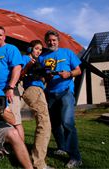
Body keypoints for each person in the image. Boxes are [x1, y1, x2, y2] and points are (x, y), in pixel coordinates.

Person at [39, 30, 82, 169]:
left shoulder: (67, 52)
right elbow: (41, 77)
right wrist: (46, 78)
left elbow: (78, 70)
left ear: (58, 41)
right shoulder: (42, 57)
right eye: (49, 40)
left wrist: (69, 74)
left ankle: (75, 157)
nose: (51, 42)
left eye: (54, 40)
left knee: (67, 123)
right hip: (50, 93)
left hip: (66, 92)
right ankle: (62, 148)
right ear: (46, 42)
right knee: (55, 124)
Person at [21, 40, 52, 169]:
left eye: (40, 50)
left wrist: (46, 74)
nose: (38, 51)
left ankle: (36, 159)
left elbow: (43, 78)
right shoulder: (24, 58)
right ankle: (38, 163)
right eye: (36, 49)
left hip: (39, 90)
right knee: (44, 124)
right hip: (32, 90)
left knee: (43, 124)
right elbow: (20, 74)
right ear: (30, 49)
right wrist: (29, 65)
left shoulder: (39, 62)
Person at [0, 26, 24, 141]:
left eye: (0, 35)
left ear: (4, 37)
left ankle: (21, 150)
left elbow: (17, 68)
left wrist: (10, 87)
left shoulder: (11, 48)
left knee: (15, 121)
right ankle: (0, 149)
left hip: (9, 90)